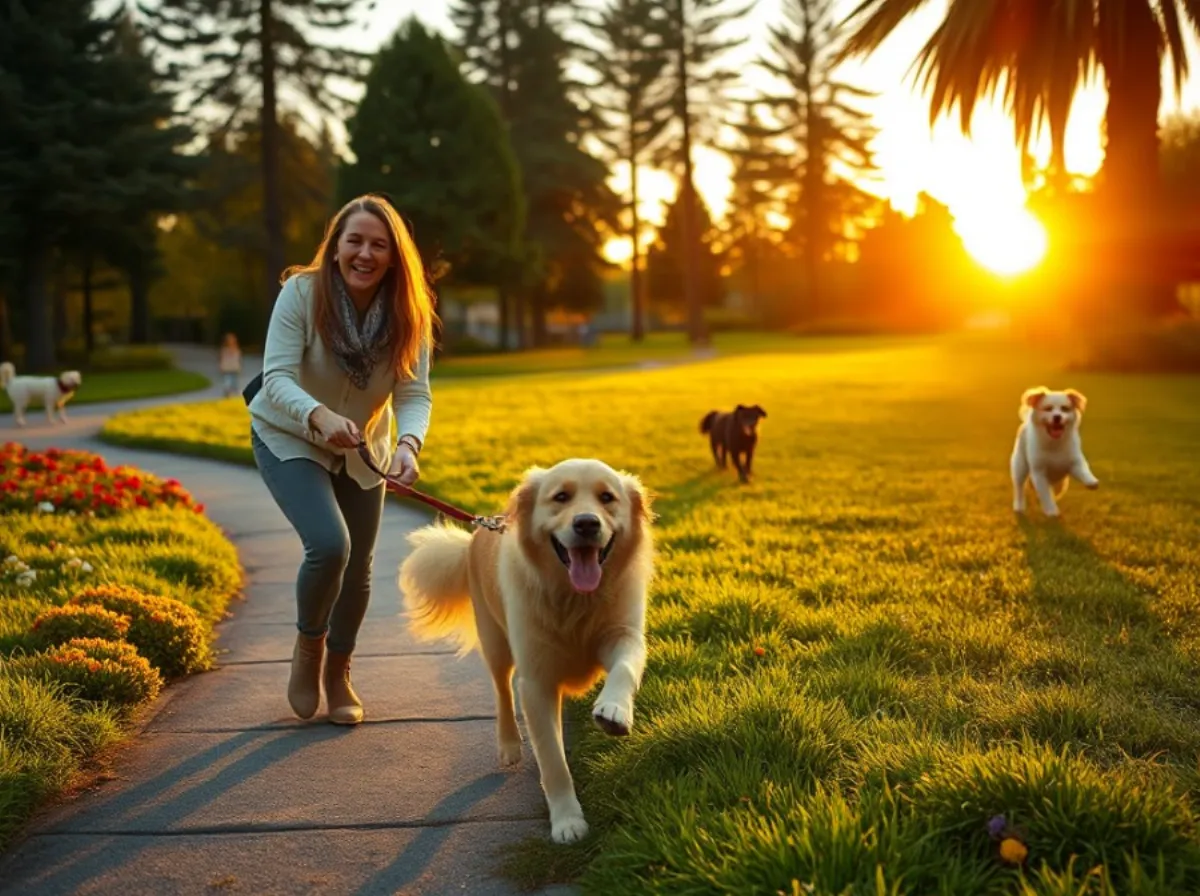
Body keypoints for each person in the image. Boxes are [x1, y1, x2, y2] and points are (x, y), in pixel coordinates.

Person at [246, 194, 436, 726]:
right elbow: (277, 376)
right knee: (330, 545)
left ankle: (339, 672)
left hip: (364, 447)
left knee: (359, 569)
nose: (365, 253)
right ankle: (309, 649)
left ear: (395, 257)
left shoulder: (409, 312)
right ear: (335, 248)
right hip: (291, 434)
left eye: (379, 244)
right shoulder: (302, 294)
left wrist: (408, 444)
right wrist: (319, 417)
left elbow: (413, 394)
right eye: (355, 241)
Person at [219, 332, 242, 397]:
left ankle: (235, 393)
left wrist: (239, 366)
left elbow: (238, 359)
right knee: (227, 381)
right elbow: (221, 359)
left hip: (234, 368)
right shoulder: (224, 350)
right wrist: (221, 366)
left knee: (235, 382)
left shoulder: (237, 349)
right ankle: (227, 393)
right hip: (227, 369)